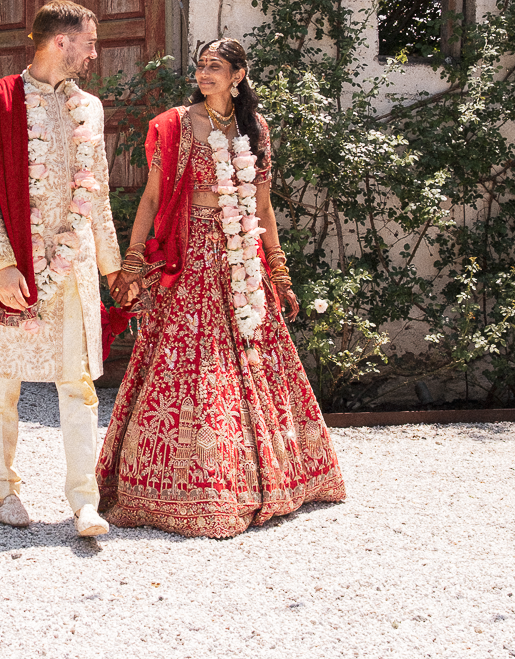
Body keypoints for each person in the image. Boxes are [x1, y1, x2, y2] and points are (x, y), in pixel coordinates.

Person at [97, 37, 345, 538]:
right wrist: (132, 259)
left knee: (254, 359)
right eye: (200, 67)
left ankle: (263, 481)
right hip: (191, 259)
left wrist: (278, 271)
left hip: (241, 264)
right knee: (187, 365)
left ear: (239, 75)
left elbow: (265, 206)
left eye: (215, 67)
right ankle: (174, 488)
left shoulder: (256, 129)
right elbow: (151, 198)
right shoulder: (177, 125)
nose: (204, 74)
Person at [0, 0, 125, 538]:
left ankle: (83, 502)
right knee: (3, 384)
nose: (95, 53)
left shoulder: (89, 108)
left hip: (73, 267)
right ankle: (2, 490)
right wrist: (0, 264)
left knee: (80, 385)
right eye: (89, 42)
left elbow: (99, 196)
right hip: (14, 263)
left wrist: (113, 269)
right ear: (60, 41)